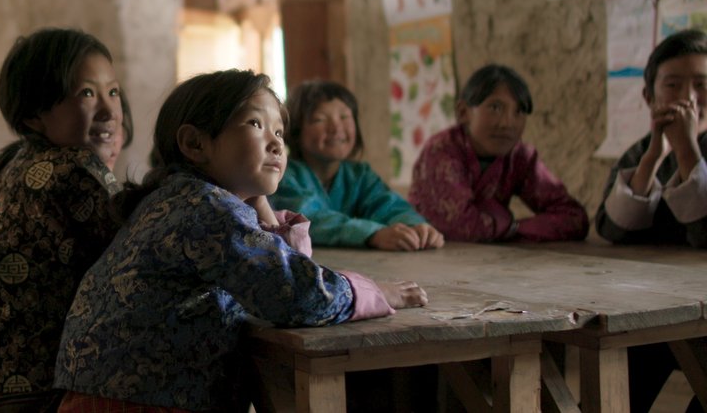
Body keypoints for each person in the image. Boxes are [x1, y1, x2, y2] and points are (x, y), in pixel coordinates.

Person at [54, 69, 427, 412]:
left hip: (116, 395)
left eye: (279, 132)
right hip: (140, 402)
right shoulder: (203, 208)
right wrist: (375, 292)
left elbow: (288, 268)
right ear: (194, 143)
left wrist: (260, 202)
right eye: (255, 124)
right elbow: (297, 294)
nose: (276, 144)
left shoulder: (181, 199)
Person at [0, 28, 126, 412]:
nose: (108, 111)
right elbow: (145, 256)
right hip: (46, 396)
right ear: (35, 114)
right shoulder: (76, 168)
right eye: (87, 93)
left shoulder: (12, 165)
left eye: (113, 92)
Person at [409, 64, 589, 242]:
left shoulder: (518, 156)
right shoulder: (442, 151)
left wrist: (513, 228)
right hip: (431, 259)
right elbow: (460, 226)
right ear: (463, 112)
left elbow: (574, 217)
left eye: (518, 111)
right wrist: (509, 226)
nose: (507, 124)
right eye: (495, 108)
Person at [271, 81, 443, 250]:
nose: (336, 127)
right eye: (319, 119)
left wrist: (416, 226)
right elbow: (309, 220)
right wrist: (373, 234)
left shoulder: (360, 175)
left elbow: (388, 205)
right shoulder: (282, 175)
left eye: (345, 116)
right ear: (294, 131)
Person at [595, 28, 707, 248]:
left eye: (702, 85)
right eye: (673, 85)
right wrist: (651, 159)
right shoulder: (641, 152)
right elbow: (611, 230)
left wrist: (686, 149)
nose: (688, 98)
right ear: (649, 97)